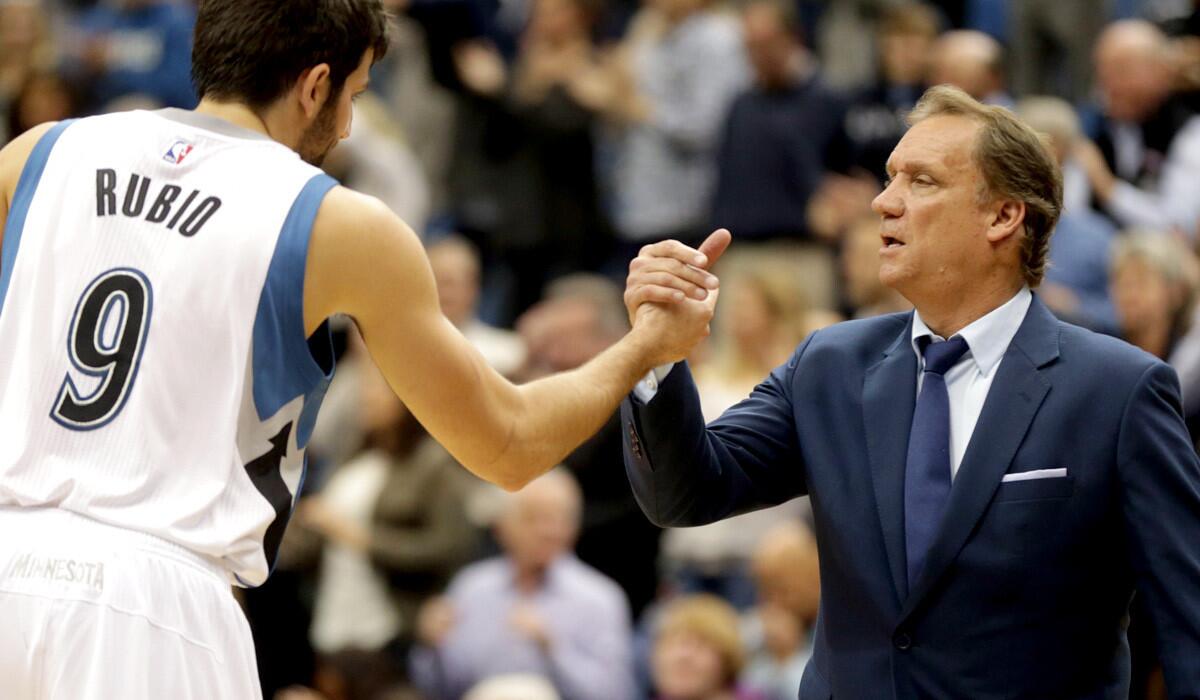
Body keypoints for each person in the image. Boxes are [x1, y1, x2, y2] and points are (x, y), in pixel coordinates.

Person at [0, 1, 723, 697]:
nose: (348, 126)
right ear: (316, 85)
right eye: (353, 95)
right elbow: (510, 443)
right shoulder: (333, 221)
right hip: (151, 602)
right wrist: (644, 348)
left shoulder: (38, 154)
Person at [621, 84, 1200, 698]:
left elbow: (1188, 617)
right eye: (889, 178)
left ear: (1004, 217)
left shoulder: (1118, 389)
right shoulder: (828, 364)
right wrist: (660, 354)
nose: (882, 202)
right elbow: (684, 494)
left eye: (920, 182)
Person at [409, 470, 636, 700]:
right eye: (532, 518)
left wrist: (553, 650)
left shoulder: (600, 599)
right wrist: (431, 645)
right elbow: (442, 687)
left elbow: (616, 692)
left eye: (558, 519)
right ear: (501, 526)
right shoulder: (472, 588)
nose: (547, 530)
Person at [1076, 19, 1200, 237]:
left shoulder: (1189, 130)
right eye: (1102, 72)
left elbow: (1177, 227)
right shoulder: (1095, 124)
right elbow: (1071, 210)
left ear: (1161, 71)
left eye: (1121, 71)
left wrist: (1108, 189)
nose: (1108, 85)